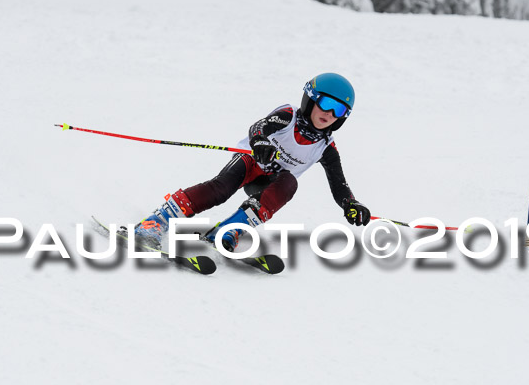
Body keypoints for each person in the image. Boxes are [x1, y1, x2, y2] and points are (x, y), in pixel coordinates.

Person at [134, 72, 372, 251]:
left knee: (289, 184)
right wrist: (260, 143)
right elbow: (259, 127)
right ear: (310, 99)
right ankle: (158, 220)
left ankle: (228, 230)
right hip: (250, 161)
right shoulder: (288, 116)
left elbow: (339, 183)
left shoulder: (326, 148)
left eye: (339, 110)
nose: (329, 114)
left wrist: (351, 204)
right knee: (221, 189)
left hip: (271, 182)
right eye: (326, 103)